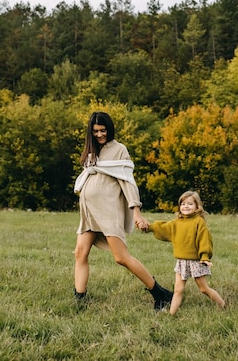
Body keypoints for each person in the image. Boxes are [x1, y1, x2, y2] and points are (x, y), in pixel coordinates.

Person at [73, 111, 173, 311]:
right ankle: (80, 300)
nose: (100, 134)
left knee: (121, 258)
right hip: (89, 213)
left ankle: (161, 294)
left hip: (108, 212)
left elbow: (128, 182)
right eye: (96, 131)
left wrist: (136, 211)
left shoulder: (119, 149)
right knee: (80, 253)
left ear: (110, 129)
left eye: (103, 130)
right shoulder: (92, 152)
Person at [137, 190, 225, 315]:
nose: (186, 206)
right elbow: (163, 227)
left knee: (203, 288)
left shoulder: (199, 222)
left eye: (190, 204)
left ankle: (222, 305)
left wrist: (205, 256)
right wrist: (149, 227)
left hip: (197, 261)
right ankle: (171, 314)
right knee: (178, 290)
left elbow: (204, 240)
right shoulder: (177, 222)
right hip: (181, 262)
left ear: (197, 207)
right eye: (183, 204)